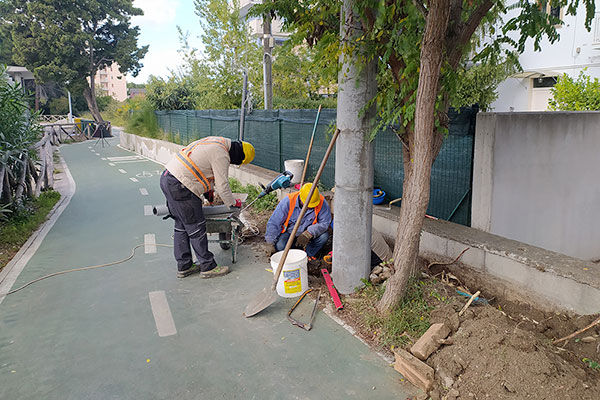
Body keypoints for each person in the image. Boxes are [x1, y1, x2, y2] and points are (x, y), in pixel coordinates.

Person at [160, 136, 255, 278]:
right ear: (239, 155)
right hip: (182, 186)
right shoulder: (221, 154)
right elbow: (222, 185)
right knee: (196, 226)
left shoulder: (216, 142)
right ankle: (207, 266)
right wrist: (232, 203)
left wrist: (207, 196)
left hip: (168, 179)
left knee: (181, 225)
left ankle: (184, 265)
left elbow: (201, 170)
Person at [265, 183, 332, 265]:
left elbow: (324, 223)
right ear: (301, 198)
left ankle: (308, 255)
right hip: (289, 233)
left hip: (308, 235)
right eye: (308, 205)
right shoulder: (288, 201)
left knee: (324, 236)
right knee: (280, 246)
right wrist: (270, 242)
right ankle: (292, 256)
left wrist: (309, 233)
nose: (311, 207)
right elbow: (274, 222)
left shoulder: (321, 202)